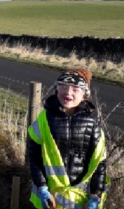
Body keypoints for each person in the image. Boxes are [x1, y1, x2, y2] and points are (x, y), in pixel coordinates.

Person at [28, 68, 109, 209]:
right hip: (49, 200)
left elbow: (99, 164)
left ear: (85, 95)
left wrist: (96, 195)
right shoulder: (43, 120)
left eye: (76, 89)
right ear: (56, 89)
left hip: (79, 201)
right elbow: (34, 158)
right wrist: (42, 187)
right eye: (63, 86)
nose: (68, 92)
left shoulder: (93, 123)